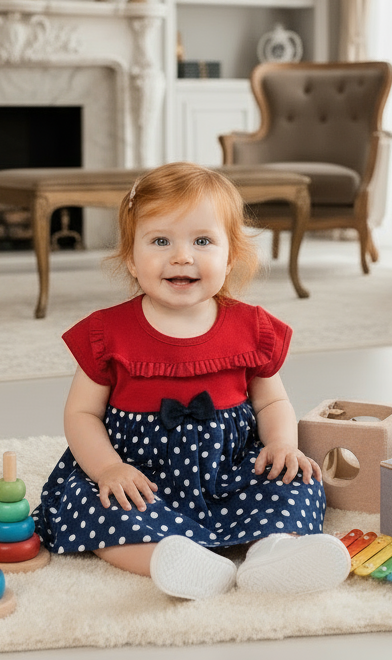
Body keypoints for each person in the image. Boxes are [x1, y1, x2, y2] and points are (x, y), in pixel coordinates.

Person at [32, 162, 350, 599]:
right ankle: (170, 559)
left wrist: (281, 444)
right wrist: (108, 468)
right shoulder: (107, 333)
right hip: (141, 476)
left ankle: (272, 553)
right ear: (130, 256)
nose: (182, 256)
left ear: (230, 256)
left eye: (202, 241)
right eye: (161, 241)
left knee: (298, 481)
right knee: (88, 501)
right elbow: (82, 412)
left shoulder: (251, 327)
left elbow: (272, 403)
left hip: (229, 467)